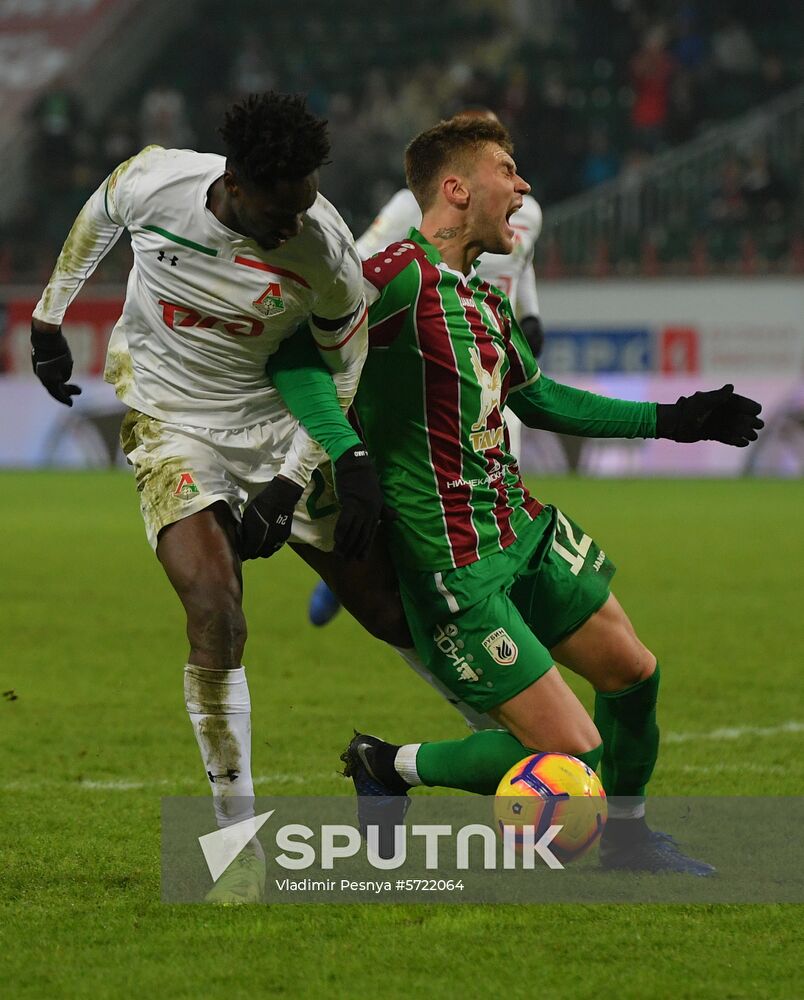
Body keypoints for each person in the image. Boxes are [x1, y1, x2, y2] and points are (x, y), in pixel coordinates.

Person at [263, 115, 762, 872]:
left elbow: (544, 402)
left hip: (523, 532)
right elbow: (297, 360)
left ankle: (628, 843)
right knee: (575, 759)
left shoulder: (484, 301)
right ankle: (387, 763)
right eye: (508, 167)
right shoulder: (393, 274)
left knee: (635, 673)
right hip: (454, 565)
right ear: (458, 189)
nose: (524, 184)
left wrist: (677, 418)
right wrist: (348, 456)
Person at [29, 92, 389, 903]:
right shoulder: (158, 184)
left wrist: (296, 476)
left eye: (306, 201)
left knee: (390, 611)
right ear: (238, 183)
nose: (296, 220)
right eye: (283, 206)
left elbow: (342, 363)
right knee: (215, 610)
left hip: (270, 421)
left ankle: (502, 759)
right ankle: (238, 844)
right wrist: (51, 316)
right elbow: (102, 209)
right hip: (169, 420)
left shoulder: (324, 249)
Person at [309, 108, 544, 627]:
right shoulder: (403, 208)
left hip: (491, 363)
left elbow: (521, 268)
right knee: (423, 486)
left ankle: (492, 600)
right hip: (431, 354)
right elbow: (361, 264)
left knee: (501, 488)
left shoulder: (528, 213)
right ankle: (365, 569)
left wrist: (530, 314)